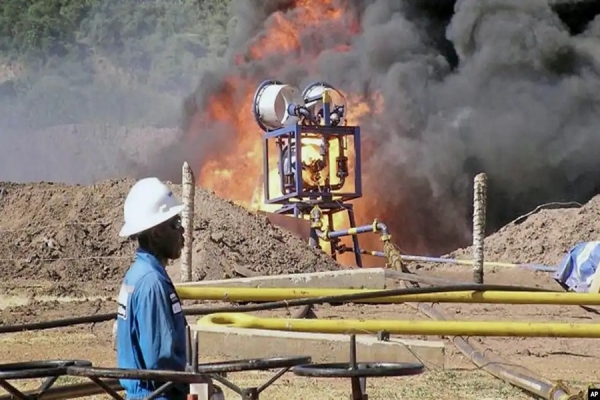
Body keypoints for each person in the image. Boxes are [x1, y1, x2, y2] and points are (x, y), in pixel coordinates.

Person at [114, 177, 213, 400]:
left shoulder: (138, 275)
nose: (182, 230)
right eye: (175, 223)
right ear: (156, 233)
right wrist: (194, 382)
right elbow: (160, 359)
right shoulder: (151, 282)